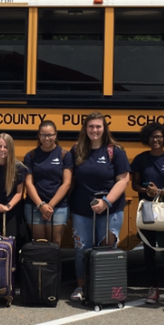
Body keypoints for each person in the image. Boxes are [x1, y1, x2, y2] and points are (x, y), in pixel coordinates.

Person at [68, 112, 130, 302]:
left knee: (107, 248)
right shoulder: (77, 150)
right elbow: (70, 180)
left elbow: (123, 179)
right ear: (85, 129)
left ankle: (105, 286)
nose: (94, 130)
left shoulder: (115, 151)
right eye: (91, 126)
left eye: (98, 126)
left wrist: (106, 202)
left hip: (111, 209)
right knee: (82, 249)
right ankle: (81, 287)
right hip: (82, 209)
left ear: (104, 129)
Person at [130, 122, 164, 311]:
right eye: (153, 136)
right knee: (148, 250)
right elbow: (134, 185)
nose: (156, 140)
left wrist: (161, 192)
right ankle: (153, 288)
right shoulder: (141, 159)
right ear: (147, 138)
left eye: (159, 137)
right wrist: (147, 190)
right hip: (147, 209)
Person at [23, 120, 73, 245]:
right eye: (43, 135)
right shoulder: (31, 156)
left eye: (50, 135)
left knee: (55, 243)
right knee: (39, 243)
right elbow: (29, 183)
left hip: (58, 207)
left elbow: (66, 183)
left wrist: (49, 206)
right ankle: (39, 265)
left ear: (55, 135)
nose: (47, 138)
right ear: (39, 136)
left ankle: (53, 266)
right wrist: (41, 206)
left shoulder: (65, 155)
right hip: (34, 206)